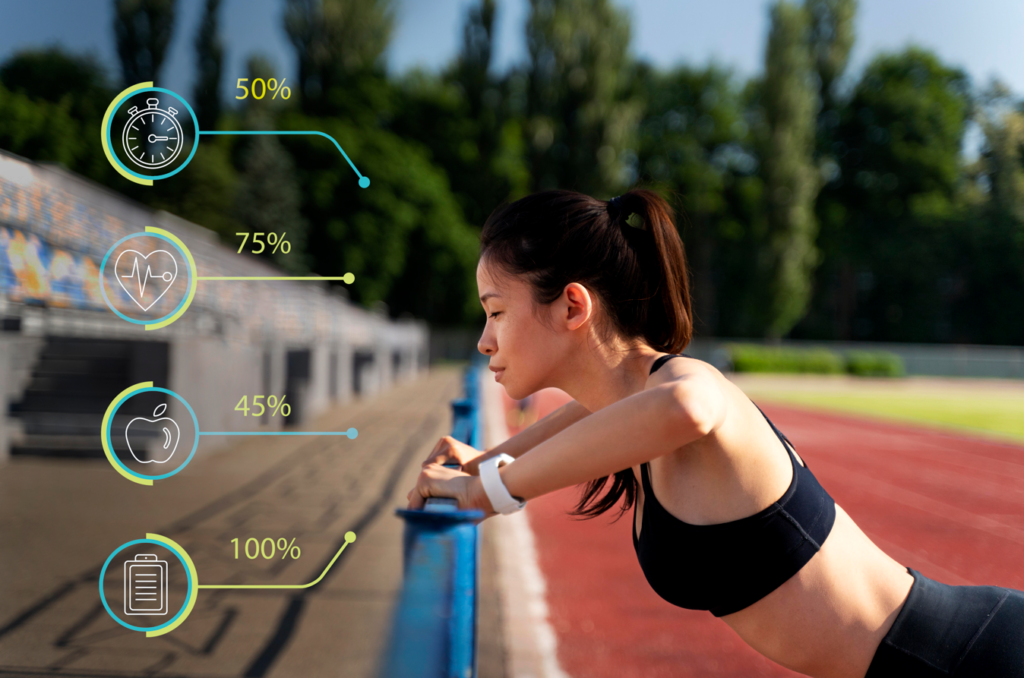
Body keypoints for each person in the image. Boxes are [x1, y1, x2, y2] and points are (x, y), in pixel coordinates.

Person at [406, 189, 1024, 678]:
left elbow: (690, 408)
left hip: (968, 659)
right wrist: (486, 461)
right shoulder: (627, 400)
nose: (485, 339)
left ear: (573, 306)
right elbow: (592, 415)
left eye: (496, 312)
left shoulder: (684, 384)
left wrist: (494, 490)